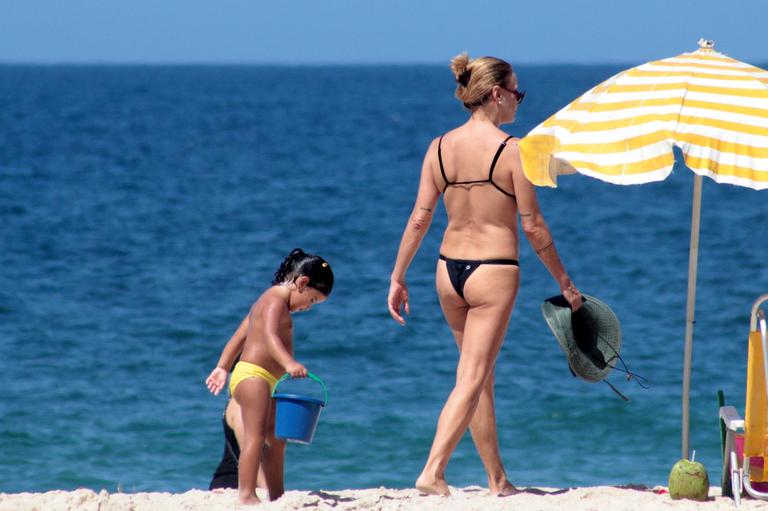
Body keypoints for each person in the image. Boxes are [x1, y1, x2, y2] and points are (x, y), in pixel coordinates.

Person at [387, 53, 583, 497]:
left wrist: (398, 276)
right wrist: (565, 284)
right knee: (473, 377)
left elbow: (419, 219)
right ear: (497, 94)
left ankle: (497, 480)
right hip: (492, 271)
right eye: (518, 92)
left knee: (477, 377)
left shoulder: (438, 147)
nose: (520, 101)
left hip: (446, 271)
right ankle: (433, 471)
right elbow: (533, 227)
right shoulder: (513, 150)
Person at [206, 248, 334, 505]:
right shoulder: (273, 300)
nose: (308, 308)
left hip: (266, 380)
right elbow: (268, 336)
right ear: (302, 282)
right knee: (255, 436)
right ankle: (246, 494)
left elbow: (240, 335)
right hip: (253, 376)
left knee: (276, 439)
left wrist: (222, 366)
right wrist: (288, 363)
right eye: (311, 301)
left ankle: (277, 495)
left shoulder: (269, 302)